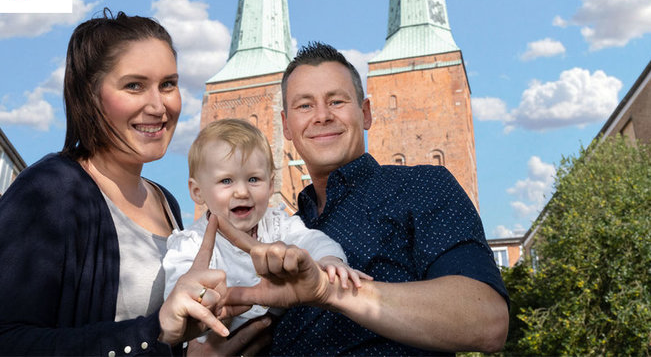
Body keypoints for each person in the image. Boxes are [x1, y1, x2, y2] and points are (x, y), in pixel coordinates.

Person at [0, 10, 238, 356]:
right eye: (134, 85)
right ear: (90, 96)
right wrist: (154, 330)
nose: (158, 105)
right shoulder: (49, 192)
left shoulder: (166, 201)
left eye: (168, 84)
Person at [218, 42, 510, 355]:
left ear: (366, 113)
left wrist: (331, 290)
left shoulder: (422, 186)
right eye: (304, 106)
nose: (322, 116)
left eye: (337, 101)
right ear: (287, 126)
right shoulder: (280, 232)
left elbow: (487, 321)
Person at [163, 118, 369, 341]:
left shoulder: (278, 224)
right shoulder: (190, 242)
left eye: (253, 179)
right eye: (226, 181)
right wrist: (197, 299)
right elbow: (178, 292)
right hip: (217, 340)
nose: (242, 191)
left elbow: (310, 239)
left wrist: (330, 260)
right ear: (197, 191)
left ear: (271, 185)